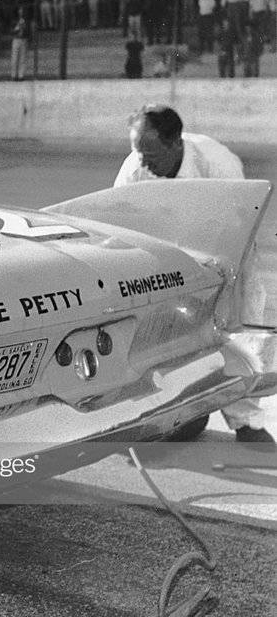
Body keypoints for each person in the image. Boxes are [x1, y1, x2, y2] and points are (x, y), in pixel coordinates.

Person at [113, 104, 275, 445]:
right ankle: (178, 413)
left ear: (176, 144)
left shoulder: (219, 164)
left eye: (151, 155)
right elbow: (118, 225)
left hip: (227, 253)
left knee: (241, 333)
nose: (143, 163)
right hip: (167, 257)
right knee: (164, 337)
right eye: (138, 152)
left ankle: (247, 422)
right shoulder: (134, 168)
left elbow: (239, 227)